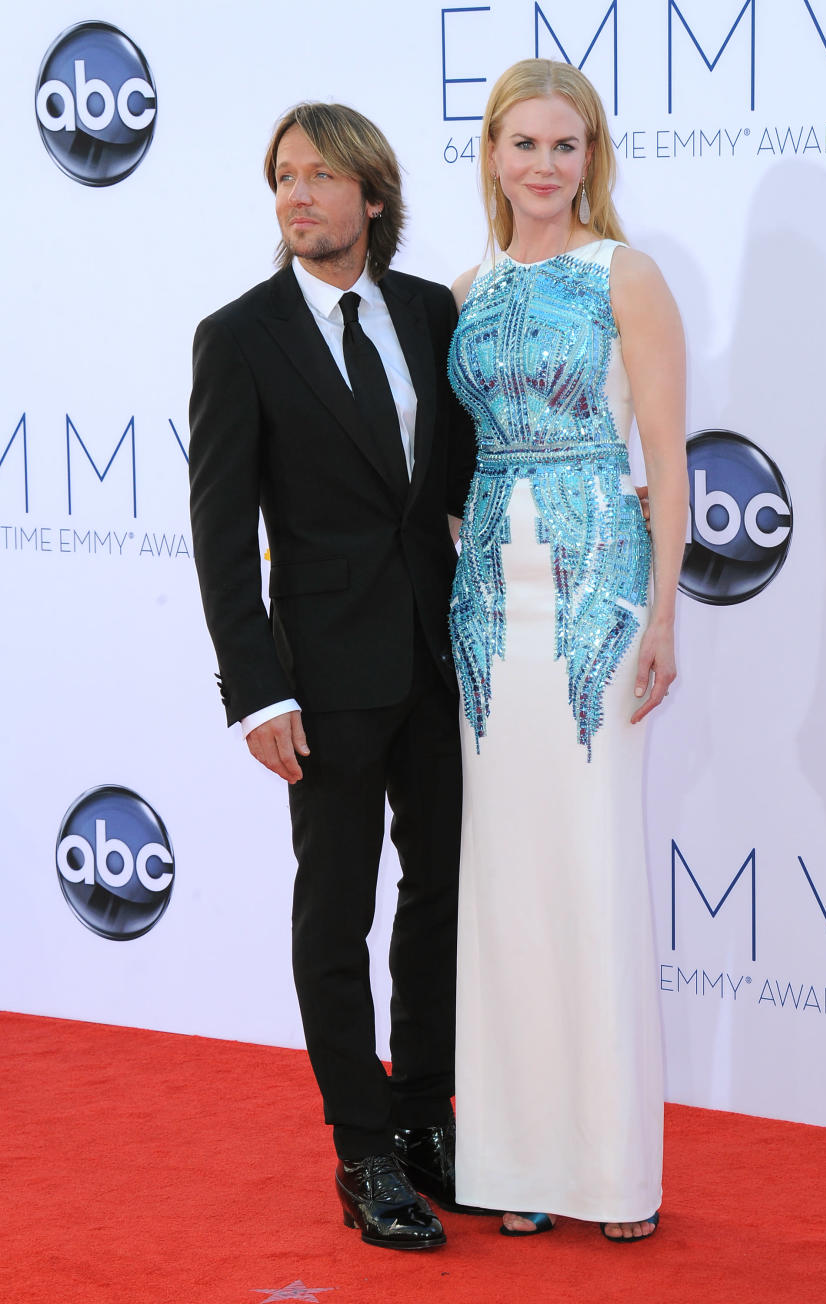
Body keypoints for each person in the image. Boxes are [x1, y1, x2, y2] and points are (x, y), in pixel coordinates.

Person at [188, 102, 475, 1251]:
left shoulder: (428, 310)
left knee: (443, 892)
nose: (298, 196)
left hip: (441, 658)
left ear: (373, 197)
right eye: (284, 178)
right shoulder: (240, 336)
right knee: (335, 911)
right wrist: (258, 690)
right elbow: (217, 532)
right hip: (326, 678)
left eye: (321, 177)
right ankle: (362, 1152)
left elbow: (457, 475)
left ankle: (423, 1117)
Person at [447, 60, 688, 1242]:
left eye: (567, 145)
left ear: (591, 157)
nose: (546, 166)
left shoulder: (624, 274)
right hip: (490, 600)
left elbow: (668, 453)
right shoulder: (463, 286)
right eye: (524, 145)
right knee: (506, 883)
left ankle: (611, 1169)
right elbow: (445, 465)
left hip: (596, 585)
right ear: (492, 156)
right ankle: (517, 1160)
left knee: (591, 870)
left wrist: (668, 611)